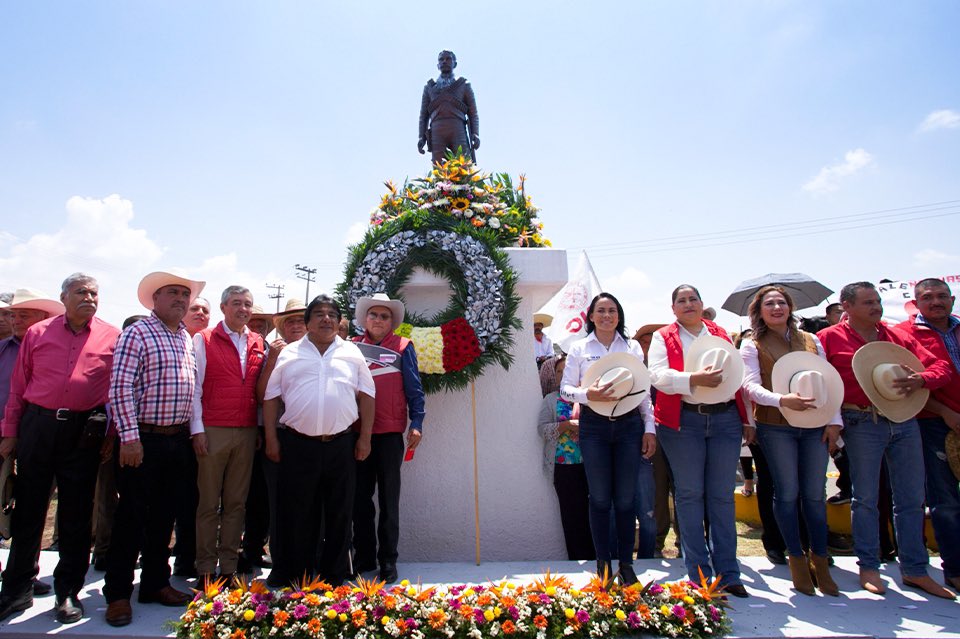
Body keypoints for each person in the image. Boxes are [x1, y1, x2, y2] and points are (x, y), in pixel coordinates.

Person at [818, 281, 953, 598]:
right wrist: (833, 423)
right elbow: (823, 385)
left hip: (904, 419)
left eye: (877, 301)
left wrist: (922, 379)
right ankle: (868, 566)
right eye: (867, 302)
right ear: (847, 307)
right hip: (861, 421)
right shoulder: (827, 339)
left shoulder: (899, 336)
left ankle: (915, 570)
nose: (876, 307)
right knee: (865, 499)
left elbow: (941, 366)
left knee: (910, 499)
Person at [0, 273, 119, 623]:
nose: (89, 297)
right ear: (64, 297)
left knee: (76, 515)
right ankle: (17, 590)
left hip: (84, 432)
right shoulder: (38, 333)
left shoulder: (112, 336)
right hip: (38, 427)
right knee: (28, 510)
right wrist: (10, 432)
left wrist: (111, 435)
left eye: (95, 292)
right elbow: (18, 388)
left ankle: (67, 592)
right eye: (81, 292)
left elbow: (116, 391)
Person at [102, 271, 204, 627]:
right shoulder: (137, 333)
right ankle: (117, 593)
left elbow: (190, 390)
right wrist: (129, 437)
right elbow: (120, 388)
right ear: (154, 298)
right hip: (142, 439)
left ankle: (155, 584)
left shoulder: (185, 337)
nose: (180, 298)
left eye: (184, 294)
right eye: (172, 292)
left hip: (176, 440)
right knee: (131, 516)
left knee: (164, 516)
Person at [262, 294, 375, 586]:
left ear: (339, 322)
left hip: (341, 445)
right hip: (298, 445)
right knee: (298, 512)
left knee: (339, 512)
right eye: (319, 314)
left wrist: (364, 439)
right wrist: (271, 438)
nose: (326, 319)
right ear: (308, 322)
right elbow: (271, 397)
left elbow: (367, 396)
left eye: (331, 314)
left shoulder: (352, 353)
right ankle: (297, 573)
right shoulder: (289, 353)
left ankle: (334, 575)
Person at [648, 284, 752, 598]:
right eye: (681, 300)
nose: (688, 304)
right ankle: (699, 573)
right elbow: (657, 375)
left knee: (721, 495)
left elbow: (739, 378)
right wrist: (692, 379)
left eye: (693, 299)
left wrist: (746, 418)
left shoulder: (720, 333)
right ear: (673, 308)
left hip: (724, 420)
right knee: (690, 495)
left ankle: (729, 572)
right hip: (683, 420)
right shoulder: (662, 336)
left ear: (702, 303)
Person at [739, 285, 840, 595]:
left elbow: (829, 379)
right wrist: (783, 400)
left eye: (781, 302)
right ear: (759, 311)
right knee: (786, 493)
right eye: (769, 303)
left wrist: (834, 422)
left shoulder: (811, 340)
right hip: (776, 426)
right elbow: (749, 387)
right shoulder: (751, 344)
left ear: (789, 307)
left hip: (814, 425)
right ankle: (796, 558)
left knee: (814, 494)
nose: (776, 307)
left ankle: (819, 560)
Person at [559, 292, 656, 585]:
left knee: (626, 500)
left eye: (612, 310)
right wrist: (589, 395)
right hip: (594, 428)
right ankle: (602, 563)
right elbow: (565, 389)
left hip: (629, 427)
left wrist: (649, 427)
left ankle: (626, 564)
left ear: (619, 315)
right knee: (600, 499)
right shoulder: (578, 348)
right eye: (600, 311)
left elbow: (643, 392)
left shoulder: (632, 346)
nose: (606, 315)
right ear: (590, 316)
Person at [191, 286, 265, 583]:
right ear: (223, 307)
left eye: (247, 304)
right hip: (212, 429)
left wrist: (258, 428)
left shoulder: (259, 342)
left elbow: (261, 391)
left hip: (246, 431)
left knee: (236, 503)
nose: (243, 309)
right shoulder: (204, 339)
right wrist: (196, 428)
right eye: (236, 303)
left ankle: (229, 567)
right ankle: (206, 568)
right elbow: (194, 388)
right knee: (208, 502)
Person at [351, 294, 426, 583]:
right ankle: (364, 556)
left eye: (384, 316)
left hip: (390, 435)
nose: (379, 320)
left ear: (392, 322)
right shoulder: (352, 347)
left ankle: (388, 561)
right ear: (365, 319)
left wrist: (417, 422)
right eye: (374, 315)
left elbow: (415, 390)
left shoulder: (404, 346)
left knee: (389, 500)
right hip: (357, 435)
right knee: (359, 500)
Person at [895, 278, 960, 592]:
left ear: (952, 298)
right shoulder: (905, 335)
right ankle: (956, 568)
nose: (936, 302)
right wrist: (944, 411)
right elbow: (904, 384)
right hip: (934, 421)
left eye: (941, 296)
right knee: (945, 500)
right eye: (928, 297)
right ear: (916, 302)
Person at [0, 289, 63, 597]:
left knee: (32, 506)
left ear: (42, 318)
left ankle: (26, 570)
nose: (15, 320)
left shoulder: (51, 347)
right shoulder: (3, 350)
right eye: (12, 314)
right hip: (5, 435)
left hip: (39, 434)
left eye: (23, 314)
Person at [538, 354, 594, 560]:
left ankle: (600, 558)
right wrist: (566, 426)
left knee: (596, 512)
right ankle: (576, 559)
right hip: (564, 467)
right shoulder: (551, 400)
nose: (563, 374)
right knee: (572, 515)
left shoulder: (589, 397)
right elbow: (542, 429)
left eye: (567, 370)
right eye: (559, 371)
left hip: (593, 465)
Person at [418, 50, 480, 163]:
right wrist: (421, 137)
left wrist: (475, 133)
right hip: (437, 131)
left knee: (463, 165)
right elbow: (423, 115)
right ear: (438, 65)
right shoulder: (429, 88)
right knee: (439, 167)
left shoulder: (463, 85)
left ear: (455, 63)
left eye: (448, 59)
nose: (444, 61)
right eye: (441, 59)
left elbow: (473, 113)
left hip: (458, 129)